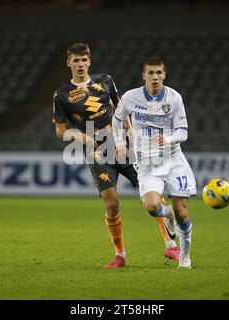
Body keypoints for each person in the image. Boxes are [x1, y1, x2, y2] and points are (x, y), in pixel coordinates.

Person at [52, 43, 180, 268]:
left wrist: (130, 132)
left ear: (90, 61)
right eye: (76, 60)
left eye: (84, 60)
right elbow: (60, 131)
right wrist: (83, 138)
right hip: (98, 152)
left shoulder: (105, 81)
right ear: (68, 62)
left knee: (150, 193)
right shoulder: (61, 95)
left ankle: (171, 247)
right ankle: (120, 255)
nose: (81, 64)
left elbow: (121, 108)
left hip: (125, 146)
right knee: (111, 203)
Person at [112, 57, 196, 268]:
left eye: (159, 72)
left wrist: (167, 139)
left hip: (173, 158)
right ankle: (166, 214)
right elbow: (117, 119)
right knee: (151, 207)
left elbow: (183, 132)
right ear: (144, 75)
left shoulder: (174, 98)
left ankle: (184, 257)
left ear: (164, 74)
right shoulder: (131, 97)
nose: (155, 76)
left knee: (183, 212)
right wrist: (120, 142)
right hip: (148, 161)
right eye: (151, 72)